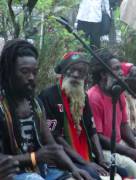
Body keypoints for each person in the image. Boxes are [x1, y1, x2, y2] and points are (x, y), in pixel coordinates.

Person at [0, 39, 90, 179]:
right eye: (24, 72)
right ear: (8, 72)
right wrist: (34, 157)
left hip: (40, 171)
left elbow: (54, 148)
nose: (31, 77)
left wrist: (74, 170)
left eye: (34, 72)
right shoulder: (2, 106)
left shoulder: (36, 104)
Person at [39, 52, 127, 179]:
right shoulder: (49, 95)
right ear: (63, 71)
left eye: (81, 72)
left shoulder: (83, 96)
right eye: (72, 70)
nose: (76, 75)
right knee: (93, 175)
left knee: (121, 172)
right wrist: (85, 163)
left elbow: (92, 130)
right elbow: (55, 137)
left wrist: (101, 159)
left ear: (85, 76)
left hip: (85, 155)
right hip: (63, 159)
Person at [87, 50, 136, 179]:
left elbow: (124, 126)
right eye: (116, 69)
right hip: (105, 149)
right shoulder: (93, 97)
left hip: (121, 142)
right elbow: (99, 137)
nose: (121, 72)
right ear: (103, 74)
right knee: (134, 168)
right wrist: (133, 152)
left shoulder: (117, 92)